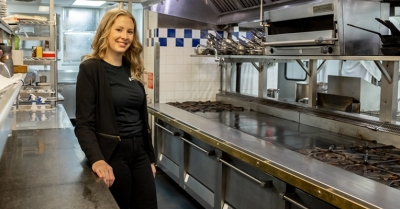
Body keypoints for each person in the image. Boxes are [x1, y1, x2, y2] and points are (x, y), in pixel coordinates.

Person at [75, 8, 157, 209]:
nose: (125, 36)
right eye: (119, 29)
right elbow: (84, 124)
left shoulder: (132, 67)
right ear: (106, 31)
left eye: (130, 31)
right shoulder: (91, 69)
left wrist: (150, 157)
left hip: (139, 154)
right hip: (112, 154)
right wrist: (97, 160)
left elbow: (140, 119)